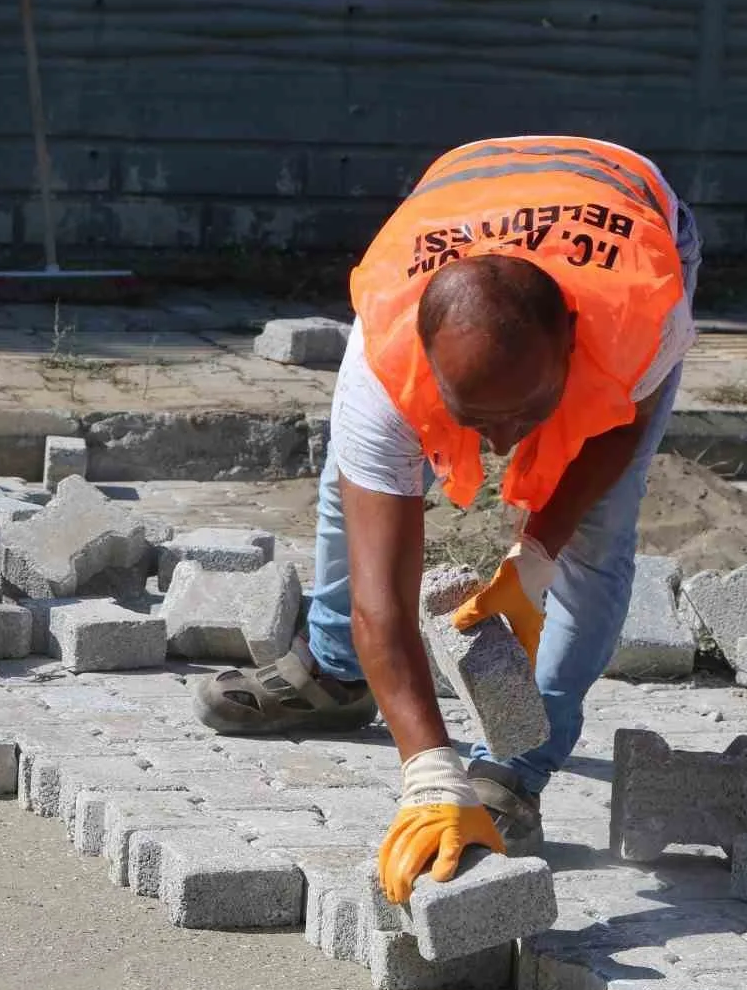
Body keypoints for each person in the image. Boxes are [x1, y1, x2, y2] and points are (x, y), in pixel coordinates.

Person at [193, 135, 702, 904]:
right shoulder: (382, 362)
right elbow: (384, 601)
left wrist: (538, 555)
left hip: (629, 204)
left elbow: (622, 429)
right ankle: (336, 673)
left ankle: (516, 769)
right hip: (462, 200)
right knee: (351, 482)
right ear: (425, 365)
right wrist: (428, 773)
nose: (500, 445)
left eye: (528, 410)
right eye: (474, 418)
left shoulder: (637, 313)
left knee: (597, 537)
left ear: (573, 344)